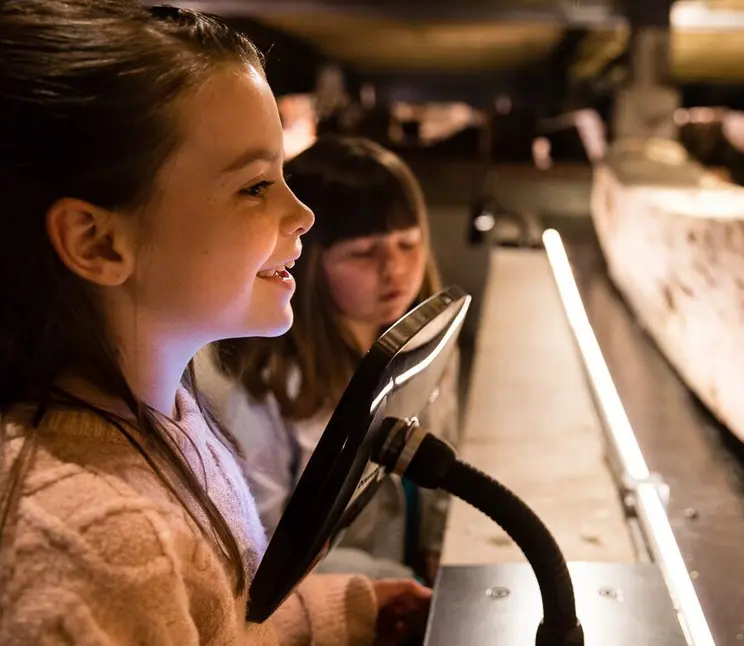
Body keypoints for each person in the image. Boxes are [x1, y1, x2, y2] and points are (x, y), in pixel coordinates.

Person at [0, 2, 429, 644]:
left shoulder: (165, 412)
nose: (303, 213)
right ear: (97, 242)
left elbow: (219, 616)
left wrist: (340, 612)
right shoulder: (94, 544)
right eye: (255, 186)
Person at [198, 134, 460, 584]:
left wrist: (437, 545)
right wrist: (388, 581)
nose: (394, 269)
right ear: (309, 262)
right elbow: (262, 551)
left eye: (408, 243)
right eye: (363, 253)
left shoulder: (419, 349)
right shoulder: (266, 392)